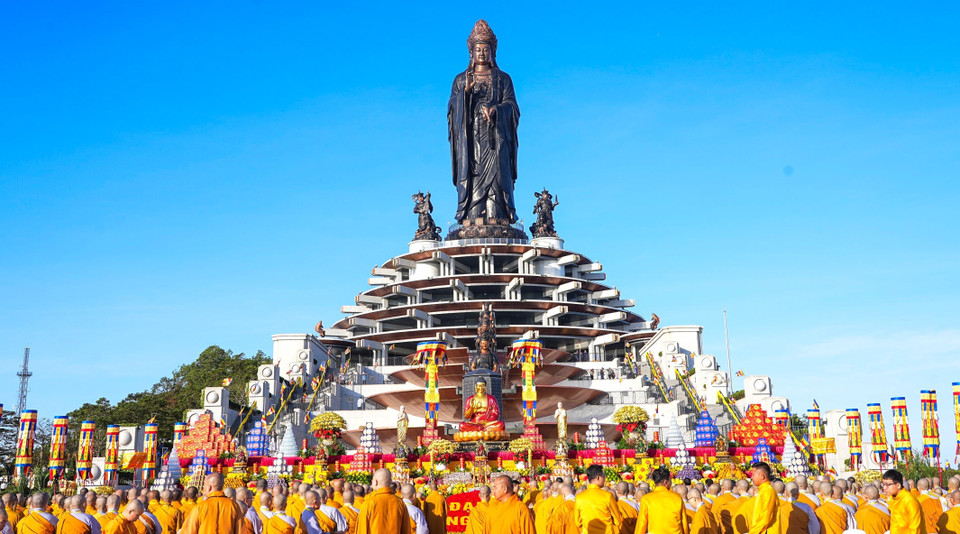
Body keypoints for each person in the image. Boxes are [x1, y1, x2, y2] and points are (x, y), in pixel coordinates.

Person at [179, 473, 244, 534]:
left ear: (209, 487)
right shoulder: (234, 506)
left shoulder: (200, 507)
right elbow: (241, 531)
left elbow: (188, 531)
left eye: (204, 486)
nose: (203, 489)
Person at [636, 466, 690, 534]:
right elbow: (684, 524)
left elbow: (641, 525)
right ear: (665, 482)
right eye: (670, 480)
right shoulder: (677, 498)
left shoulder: (646, 499)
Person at [356, 469, 411, 534]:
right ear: (390, 482)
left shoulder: (368, 503)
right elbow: (406, 530)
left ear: (376, 482)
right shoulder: (400, 503)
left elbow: (361, 530)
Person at [573, 464, 622, 534]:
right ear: (598, 478)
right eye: (603, 476)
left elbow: (578, 523)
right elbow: (618, 521)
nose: (605, 478)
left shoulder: (579, 498)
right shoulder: (608, 496)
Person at [882, 469, 926, 534]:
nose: (884, 487)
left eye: (888, 484)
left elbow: (915, 527)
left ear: (898, 485)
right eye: (883, 484)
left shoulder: (909, 500)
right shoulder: (892, 498)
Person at [748, 462, 779, 534]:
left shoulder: (767, 490)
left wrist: (752, 532)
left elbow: (765, 518)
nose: (751, 477)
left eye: (753, 475)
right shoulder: (763, 490)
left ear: (762, 476)